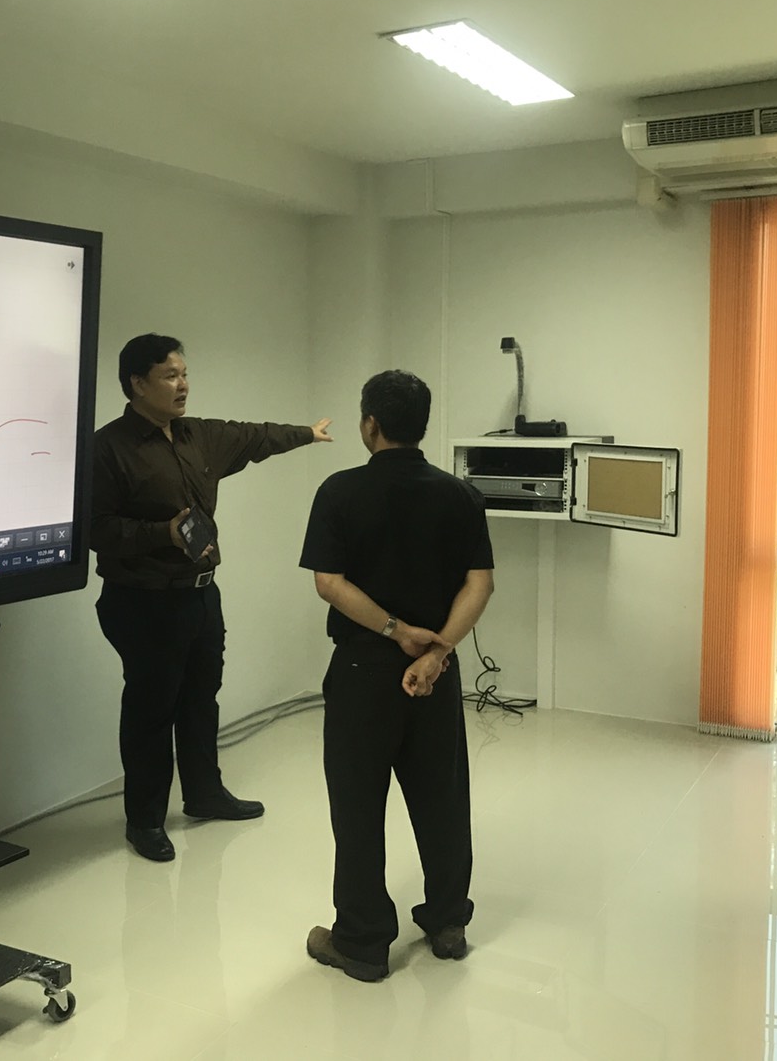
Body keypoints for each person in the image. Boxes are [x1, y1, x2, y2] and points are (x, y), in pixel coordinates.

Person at [91, 333, 332, 862]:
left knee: (201, 698)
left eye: (185, 374)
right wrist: (162, 534)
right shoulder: (106, 449)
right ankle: (145, 821)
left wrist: (306, 435)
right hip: (143, 601)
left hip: (201, 596)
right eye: (170, 376)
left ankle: (204, 794)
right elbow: (97, 530)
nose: (183, 385)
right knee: (152, 712)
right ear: (138, 383)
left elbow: (254, 437)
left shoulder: (198, 435)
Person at [298, 369, 494, 981]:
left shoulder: (339, 491)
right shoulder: (460, 496)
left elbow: (329, 583)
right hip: (436, 673)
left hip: (364, 671)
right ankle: (448, 922)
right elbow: (480, 583)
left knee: (358, 806)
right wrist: (436, 652)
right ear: (422, 425)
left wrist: (395, 630)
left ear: (370, 424)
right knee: (442, 798)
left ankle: (362, 942)